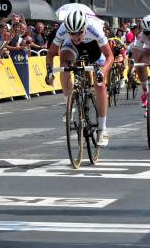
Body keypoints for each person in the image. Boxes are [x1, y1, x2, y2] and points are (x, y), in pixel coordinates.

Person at [45, 8, 114, 146]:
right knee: (64, 65)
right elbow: (51, 53)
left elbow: (109, 56)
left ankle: (102, 129)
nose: (76, 36)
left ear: (85, 28)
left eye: (79, 33)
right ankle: (70, 105)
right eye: (72, 33)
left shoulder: (94, 28)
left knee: (100, 85)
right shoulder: (63, 29)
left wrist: (102, 72)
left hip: (94, 47)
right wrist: (49, 72)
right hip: (71, 48)